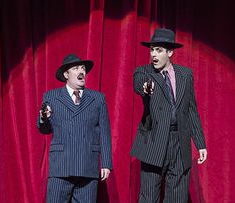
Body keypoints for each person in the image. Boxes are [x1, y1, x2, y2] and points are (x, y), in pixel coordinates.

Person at [130, 28, 207, 203]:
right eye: (152, 50)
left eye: (159, 50)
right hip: (153, 141)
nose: (154, 55)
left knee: (178, 198)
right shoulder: (143, 72)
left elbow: (191, 110)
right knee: (149, 197)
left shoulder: (185, 75)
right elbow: (139, 84)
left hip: (180, 141)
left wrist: (200, 143)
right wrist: (145, 88)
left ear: (170, 52)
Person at [37, 54, 112, 203]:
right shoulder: (51, 96)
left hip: (87, 166)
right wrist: (44, 118)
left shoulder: (97, 98)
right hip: (61, 167)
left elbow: (104, 131)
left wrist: (106, 163)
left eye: (83, 68)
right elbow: (44, 129)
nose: (81, 72)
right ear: (66, 74)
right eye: (76, 68)